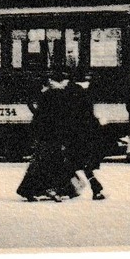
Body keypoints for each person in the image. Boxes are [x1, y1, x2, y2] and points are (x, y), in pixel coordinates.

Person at [18, 72, 79, 201]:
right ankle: (55, 189)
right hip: (54, 134)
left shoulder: (47, 94)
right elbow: (64, 117)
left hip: (44, 133)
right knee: (53, 162)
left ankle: (29, 190)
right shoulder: (60, 95)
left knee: (42, 162)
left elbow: (38, 114)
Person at [67, 72, 107, 201]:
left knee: (71, 162)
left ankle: (73, 188)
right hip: (88, 133)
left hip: (73, 132)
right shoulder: (89, 93)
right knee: (84, 165)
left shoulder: (70, 92)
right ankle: (95, 188)